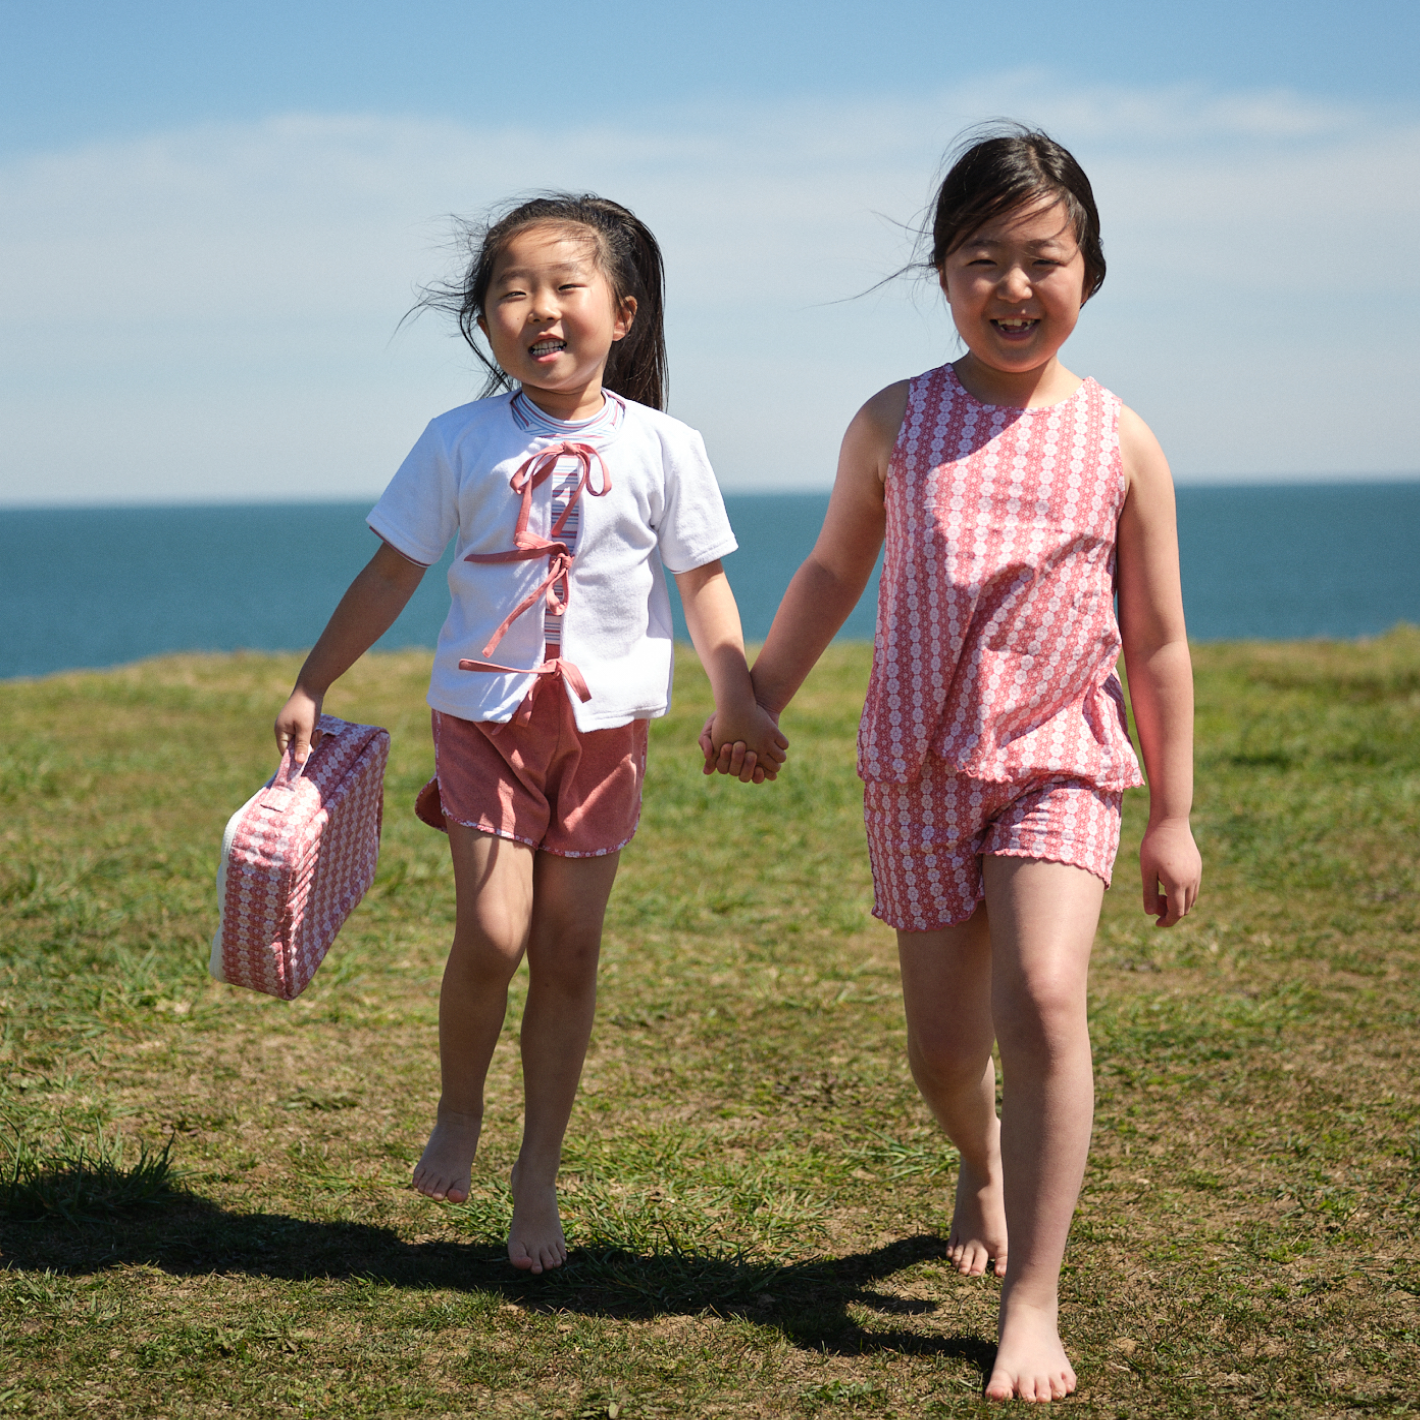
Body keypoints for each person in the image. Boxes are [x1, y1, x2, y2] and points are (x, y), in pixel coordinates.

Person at [704, 128, 1201, 1401]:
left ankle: (1032, 1299)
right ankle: (975, 1156)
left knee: (1041, 996)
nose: (1014, 287)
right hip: (918, 769)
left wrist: (1172, 816)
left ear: (1088, 270)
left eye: (1044, 258)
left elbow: (1156, 639)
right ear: (942, 274)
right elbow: (827, 573)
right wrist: (755, 698)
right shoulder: (892, 420)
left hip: (1062, 760)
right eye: (984, 259)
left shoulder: (1121, 441)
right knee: (941, 1049)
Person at [275, 193, 786, 1275]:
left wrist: (736, 695)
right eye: (514, 291)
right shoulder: (457, 440)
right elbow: (392, 569)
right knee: (497, 932)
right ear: (487, 319)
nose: (541, 310)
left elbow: (703, 585)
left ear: (624, 311)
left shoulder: (665, 446)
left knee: (569, 947)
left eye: (567, 287)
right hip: (483, 718)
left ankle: (537, 1168)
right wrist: (313, 680)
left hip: (603, 734)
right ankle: (460, 1108)